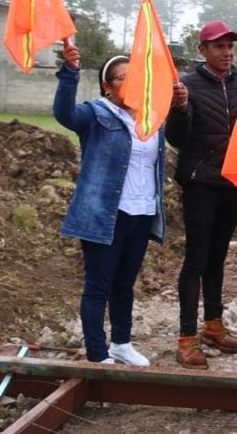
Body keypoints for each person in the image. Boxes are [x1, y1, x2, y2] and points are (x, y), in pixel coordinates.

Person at [53, 40, 185, 365]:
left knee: (125, 284)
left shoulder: (152, 119)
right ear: (106, 86)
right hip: (104, 215)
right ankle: (98, 354)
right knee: (99, 286)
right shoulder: (96, 114)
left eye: (134, 76)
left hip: (141, 213)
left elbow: (178, 136)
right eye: (122, 77)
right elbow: (64, 114)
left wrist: (181, 104)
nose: (130, 83)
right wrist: (69, 72)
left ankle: (121, 344)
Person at [166, 20, 237, 369]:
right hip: (201, 184)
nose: (227, 52)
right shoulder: (186, 87)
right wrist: (181, 109)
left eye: (230, 46)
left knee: (217, 259)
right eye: (219, 46)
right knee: (196, 260)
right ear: (203, 50)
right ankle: (187, 338)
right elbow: (177, 138)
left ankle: (213, 324)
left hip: (234, 186)